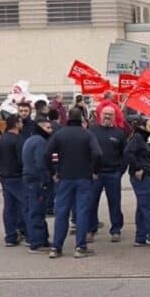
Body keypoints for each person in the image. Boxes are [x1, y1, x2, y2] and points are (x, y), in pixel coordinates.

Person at [46, 107, 101, 259]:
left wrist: (53, 172)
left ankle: (56, 247)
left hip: (64, 177)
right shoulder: (87, 134)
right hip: (83, 177)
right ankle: (80, 247)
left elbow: (46, 153)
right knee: (82, 211)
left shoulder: (60, 134)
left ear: (68, 118)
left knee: (61, 212)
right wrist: (92, 169)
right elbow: (97, 153)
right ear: (82, 119)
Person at [89, 106, 127, 243]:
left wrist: (120, 171)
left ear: (114, 116)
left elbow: (125, 155)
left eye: (110, 114)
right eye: (105, 114)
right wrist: (90, 171)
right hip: (95, 175)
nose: (107, 116)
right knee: (91, 203)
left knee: (115, 203)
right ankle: (90, 230)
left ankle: (116, 230)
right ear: (100, 115)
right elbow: (87, 152)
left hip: (113, 173)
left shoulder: (119, 133)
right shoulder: (92, 131)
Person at [125, 117, 150, 248]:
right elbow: (128, 153)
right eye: (149, 125)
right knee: (146, 206)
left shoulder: (141, 139)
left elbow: (141, 155)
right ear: (142, 126)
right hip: (141, 175)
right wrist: (137, 168)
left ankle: (140, 236)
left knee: (142, 207)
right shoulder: (138, 138)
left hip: (143, 173)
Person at [21, 116, 53, 253]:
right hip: (37, 180)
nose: (50, 130)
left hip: (29, 179)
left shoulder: (29, 140)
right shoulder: (40, 142)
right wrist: (46, 180)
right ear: (40, 127)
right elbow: (41, 163)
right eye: (47, 127)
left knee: (34, 210)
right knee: (37, 211)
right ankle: (37, 243)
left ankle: (41, 239)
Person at [0, 114, 27, 247]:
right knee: (25, 204)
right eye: (20, 122)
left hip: (4, 176)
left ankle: (10, 236)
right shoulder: (18, 139)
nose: (22, 124)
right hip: (17, 176)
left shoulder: (1, 139)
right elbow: (22, 159)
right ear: (16, 124)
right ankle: (28, 232)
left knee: (9, 207)